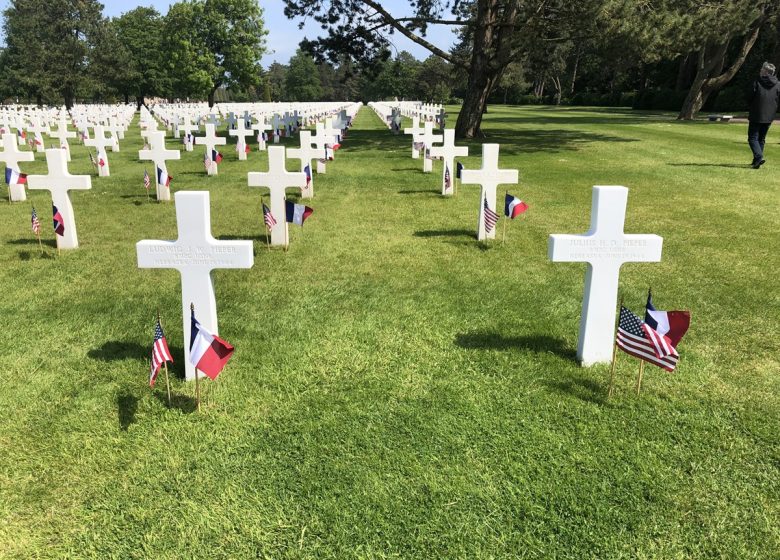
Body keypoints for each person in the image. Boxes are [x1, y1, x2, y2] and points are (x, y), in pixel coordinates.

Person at [748, 61, 780, 169]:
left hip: (757, 113)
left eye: (762, 69)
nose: (760, 71)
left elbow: (750, 96)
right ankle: (756, 161)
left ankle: (759, 156)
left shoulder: (757, 81)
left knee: (752, 138)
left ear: (766, 72)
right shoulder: (778, 84)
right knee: (761, 139)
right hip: (770, 115)